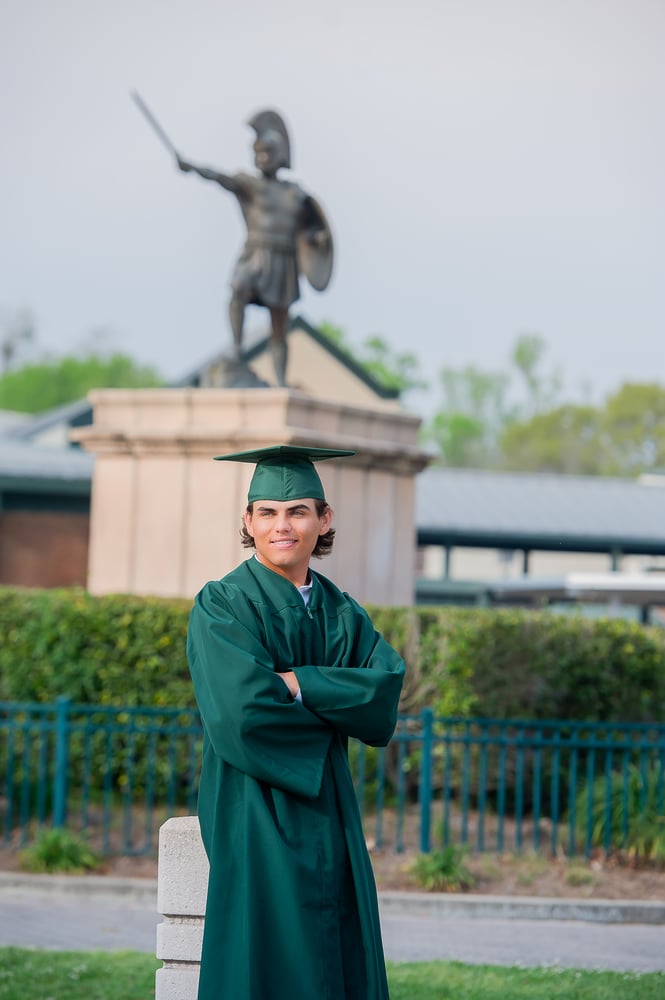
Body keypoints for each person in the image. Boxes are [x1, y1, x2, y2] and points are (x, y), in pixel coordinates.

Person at [186, 445, 405, 1000]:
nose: (282, 526)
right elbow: (241, 712)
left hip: (328, 802)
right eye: (267, 513)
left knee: (335, 941)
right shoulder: (224, 605)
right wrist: (330, 699)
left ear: (323, 519)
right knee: (265, 945)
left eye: (298, 511)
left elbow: (381, 691)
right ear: (248, 521)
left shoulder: (341, 611)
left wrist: (297, 682)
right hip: (253, 801)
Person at [177, 110, 332, 386]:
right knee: (239, 286)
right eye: (258, 154)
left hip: (284, 260)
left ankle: (281, 380)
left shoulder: (295, 195)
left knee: (279, 324)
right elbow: (218, 177)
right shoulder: (250, 186)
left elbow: (313, 229)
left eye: (267, 153)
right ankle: (236, 349)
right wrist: (192, 167)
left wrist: (318, 240)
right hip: (256, 254)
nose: (261, 159)